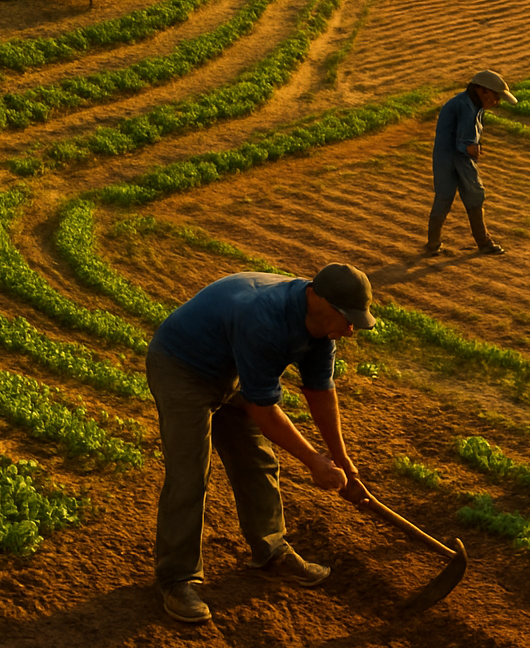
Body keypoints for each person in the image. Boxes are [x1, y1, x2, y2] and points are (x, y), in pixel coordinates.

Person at [147, 263, 375, 624]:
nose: (350, 330)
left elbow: (320, 392)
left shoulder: (322, 330)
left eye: (355, 321)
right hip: (182, 366)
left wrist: (344, 462)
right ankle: (176, 579)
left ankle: (271, 550)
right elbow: (265, 412)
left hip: (233, 369)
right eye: (346, 318)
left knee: (257, 461)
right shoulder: (264, 317)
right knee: (190, 472)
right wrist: (314, 461)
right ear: (315, 297)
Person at [426, 70, 517, 256]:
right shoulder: (466, 108)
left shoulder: (471, 105)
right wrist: (471, 149)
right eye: (495, 97)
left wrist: (472, 146)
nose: (497, 102)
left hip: (445, 158)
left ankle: (433, 244)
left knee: (445, 197)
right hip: (454, 158)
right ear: (483, 91)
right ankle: (483, 242)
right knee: (472, 196)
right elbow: (462, 142)